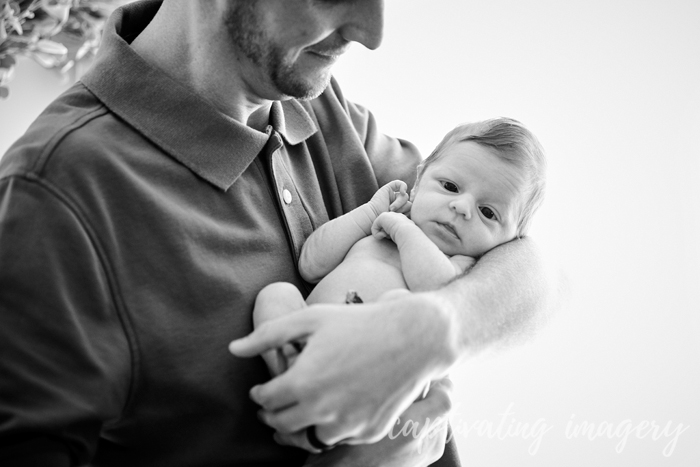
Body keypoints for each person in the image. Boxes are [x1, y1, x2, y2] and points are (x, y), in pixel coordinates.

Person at [0, 0, 553, 466]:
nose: (372, 33)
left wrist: (435, 332)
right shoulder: (54, 196)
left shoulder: (321, 104)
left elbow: (529, 267)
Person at [253, 117, 546, 376]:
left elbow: (437, 292)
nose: (461, 207)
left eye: (488, 213)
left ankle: (315, 391)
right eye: (450, 187)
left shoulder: (462, 266)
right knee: (277, 295)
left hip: (373, 370)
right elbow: (311, 264)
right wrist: (369, 213)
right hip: (308, 335)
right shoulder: (379, 222)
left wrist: (403, 229)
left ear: (508, 241)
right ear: (418, 181)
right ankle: (291, 372)